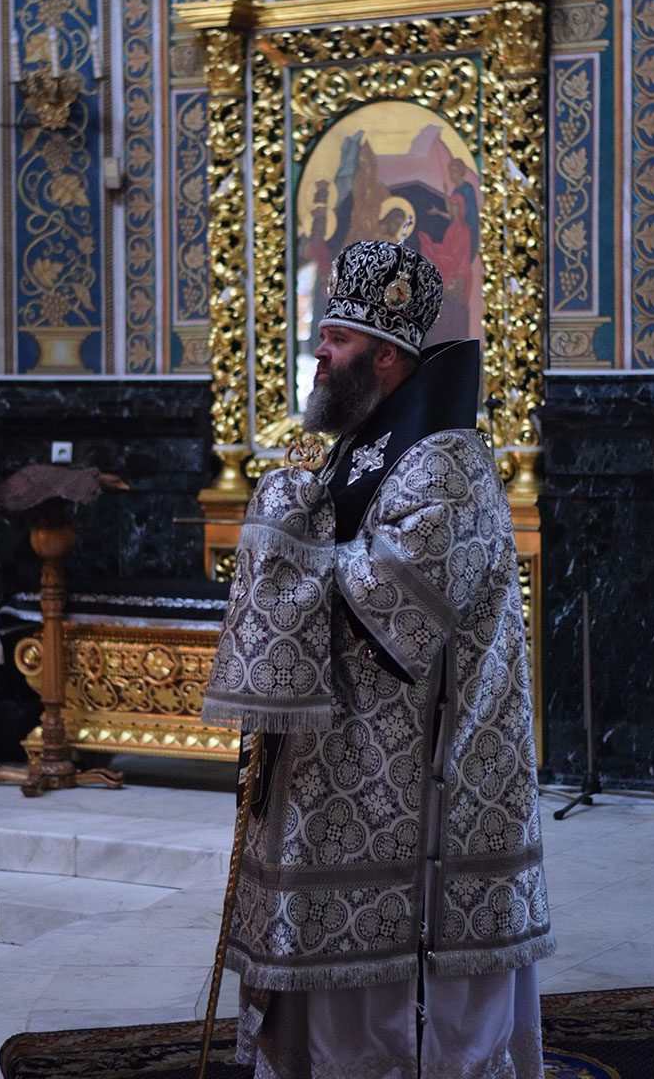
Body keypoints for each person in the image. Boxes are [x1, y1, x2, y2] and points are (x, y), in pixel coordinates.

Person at [202, 238, 555, 1079]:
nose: (319, 353)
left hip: (419, 794)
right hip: (346, 775)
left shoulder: (448, 463)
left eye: (337, 338)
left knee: (396, 1029)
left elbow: (395, 608)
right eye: (323, 335)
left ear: (387, 355)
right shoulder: (358, 447)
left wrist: (288, 535)